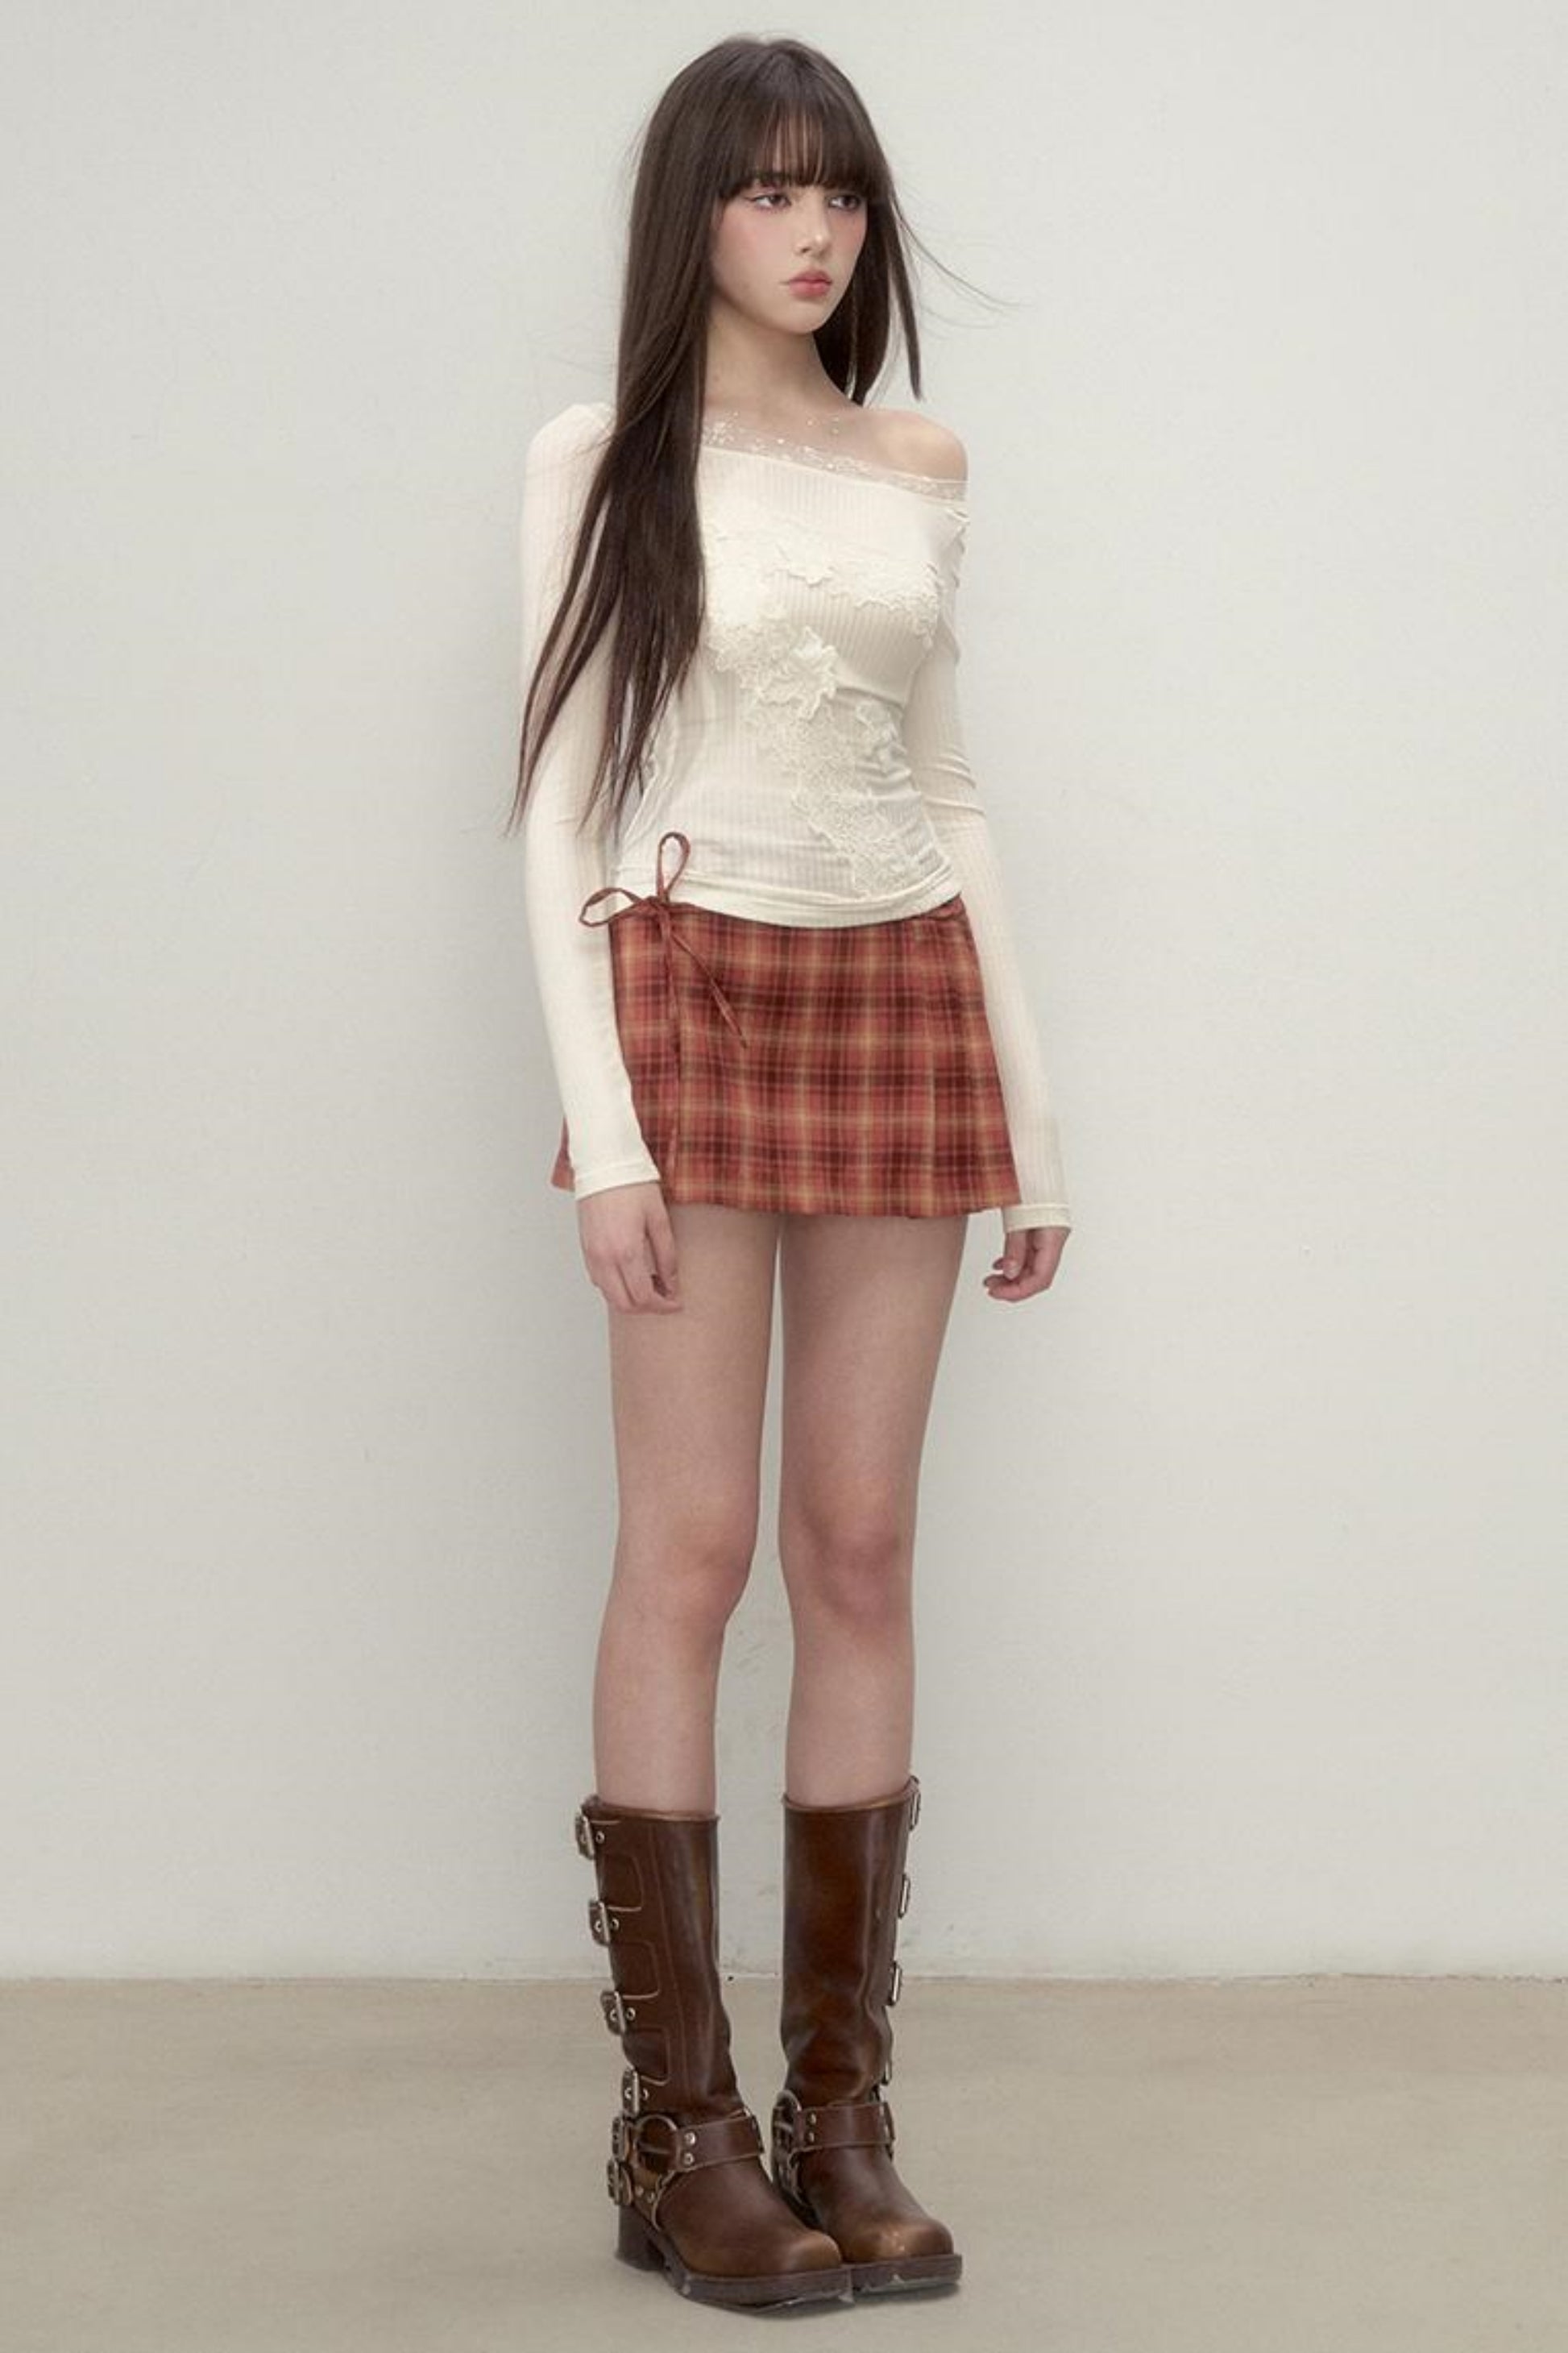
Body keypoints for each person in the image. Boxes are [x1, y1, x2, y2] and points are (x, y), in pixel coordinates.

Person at [506, 32, 1071, 2313]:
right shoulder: (604, 454)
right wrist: (606, 1137)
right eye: (765, 191)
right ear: (696, 217)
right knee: (695, 1546)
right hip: (692, 988)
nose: (813, 231)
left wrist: (1033, 1111)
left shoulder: (917, 458)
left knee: (858, 1543)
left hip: (898, 987)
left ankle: (842, 2121)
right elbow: (556, 799)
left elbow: (949, 788)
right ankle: (680, 2137)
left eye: (838, 192)